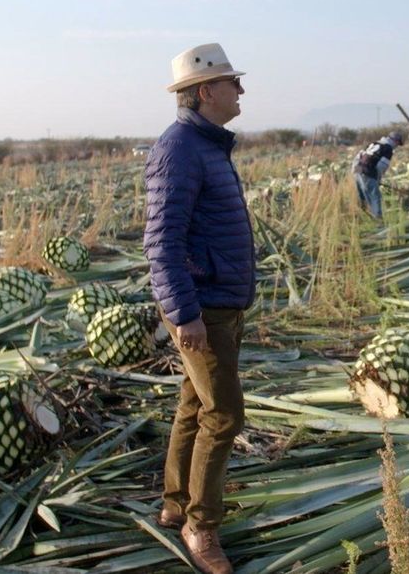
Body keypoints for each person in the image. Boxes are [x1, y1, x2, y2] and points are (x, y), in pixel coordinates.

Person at [143, 42, 255, 574]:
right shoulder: (181, 147)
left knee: (195, 403)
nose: (241, 90)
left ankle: (174, 502)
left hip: (217, 301)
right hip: (201, 306)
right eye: (234, 81)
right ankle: (201, 526)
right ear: (207, 90)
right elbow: (161, 241)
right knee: (225, 414)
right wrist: (184, 313)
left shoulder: (205, 143)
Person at [352, 130, 404, 218]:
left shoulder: (374, 143)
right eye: (398, 144)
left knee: (362, 194)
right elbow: (381, 166)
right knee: (375, 196)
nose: (397, 146)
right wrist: (377, 179)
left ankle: (362, 214)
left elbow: (359, 155)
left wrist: (354, 169)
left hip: (358, 168)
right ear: (395, 141)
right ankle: (377, 218)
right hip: (368, 170)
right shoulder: (388, 148)